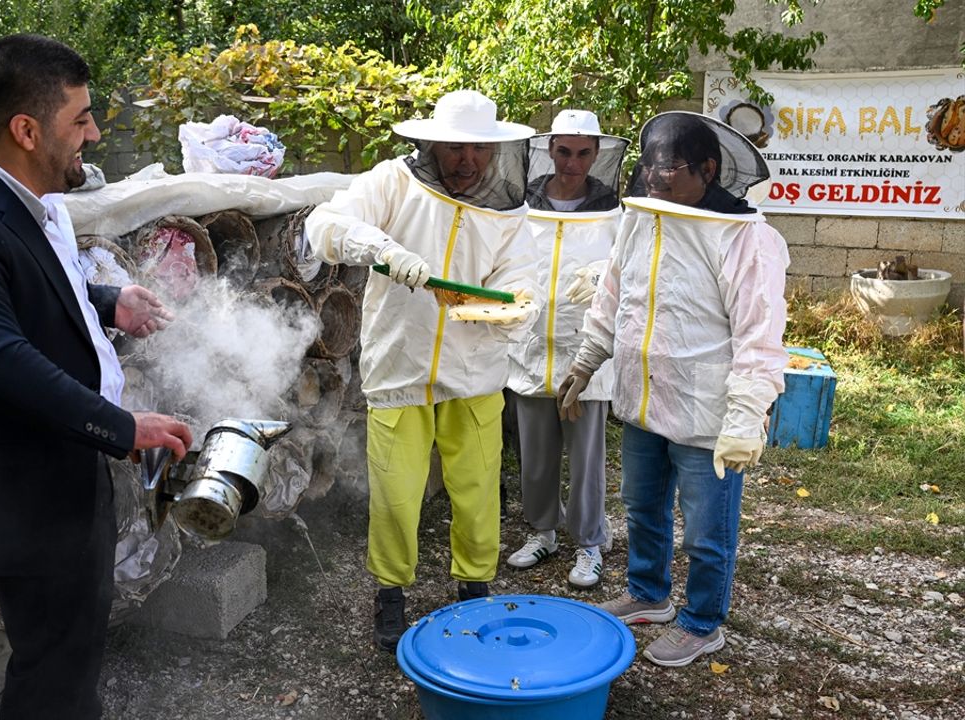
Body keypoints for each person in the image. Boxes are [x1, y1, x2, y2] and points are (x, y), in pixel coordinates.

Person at [0, 34, 193, 718]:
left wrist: (109, 302)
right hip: (25, 493)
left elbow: (31, 287)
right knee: (54, 671)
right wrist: (121, 426)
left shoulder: (25, 198)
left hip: (67, 465)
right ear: (26, 131)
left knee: (74, 653)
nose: (93, 133)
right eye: (81, 119)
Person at [305, 89, 538, 652]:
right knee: (396, 492)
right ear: (432, 144)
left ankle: (475, 589)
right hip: (399, 368)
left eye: (478, 149)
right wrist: (384, 250)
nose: (467, 159)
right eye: (455, 147)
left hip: (475, 373)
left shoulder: (509, 214)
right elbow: (325, 225)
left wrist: (492, 306)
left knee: (477, 490)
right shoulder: (393, 182)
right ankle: (390, 594)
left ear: (495, 151)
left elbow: (522, 289)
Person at [557, 111, 788, 667]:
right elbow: (615, 295)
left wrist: (745, 416)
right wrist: (586, 362)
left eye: (672, 168)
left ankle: (704, 622)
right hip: (643, 397)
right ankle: (648, 594)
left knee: (706, 531)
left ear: (708, 170)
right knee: (642, 507)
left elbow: (759, 335)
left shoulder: (747, 238)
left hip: (707, 410)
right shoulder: (643, 219)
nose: (656, 178)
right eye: (650, 166)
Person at [505, 110, 629, 588]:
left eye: (582, 153)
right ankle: (543, 531)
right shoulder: (523, 207)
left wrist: (603, 277)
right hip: (531, 347)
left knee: (586, 459)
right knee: (535, 455)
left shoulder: (615, 215)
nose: (571, 163)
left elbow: (631, 271)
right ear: (549, 149)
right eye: (563, 151)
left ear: (597, 154)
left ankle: (590, 541)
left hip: (586, 353)